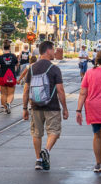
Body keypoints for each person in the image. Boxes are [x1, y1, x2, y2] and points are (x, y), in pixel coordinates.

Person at [23, 40, 68, 171]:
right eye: (53, 50)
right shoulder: (54, 69)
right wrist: (65, 108)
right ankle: (46, 150)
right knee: (54, 131)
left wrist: (25, 108)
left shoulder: (32, 68)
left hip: (35, 106)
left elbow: (26, 90)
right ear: (47, 51)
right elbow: (60, 90)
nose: (54, 52)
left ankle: (38, 160)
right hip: (52, 106)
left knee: (36, 133)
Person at [0, 41, 19, 114]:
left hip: (2, 77)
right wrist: (14, 70)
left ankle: (5, 108)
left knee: (3, 94)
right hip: (11, 77)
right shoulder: (14, 56)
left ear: (3, 48)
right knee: (11, 94)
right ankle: (8, 103)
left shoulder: (0, 57)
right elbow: (17, 65)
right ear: (10, 48)